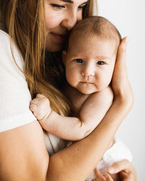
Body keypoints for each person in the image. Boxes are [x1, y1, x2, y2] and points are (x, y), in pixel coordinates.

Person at [0, 0, 136, 180]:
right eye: (59, 5)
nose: (73, 22)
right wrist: (120, 107)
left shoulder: (57, 62)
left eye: (81, 6)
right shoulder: (3, 50)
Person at [30, 16, 133, 180]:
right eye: (79, 60)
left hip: (106, 160)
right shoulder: (67, 85)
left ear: (116, 66)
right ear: (65, 59)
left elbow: (82, 128)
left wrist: (48, 116)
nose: (88, 71)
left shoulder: (103, 95)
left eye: (100, 63)